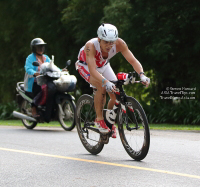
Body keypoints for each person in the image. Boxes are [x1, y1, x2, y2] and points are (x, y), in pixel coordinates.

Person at [76, 23, 150, 138]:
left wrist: (142, 75)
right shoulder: (90, 46)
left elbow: (133, 60)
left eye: (112, 42)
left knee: (116, 94)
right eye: (106, 42)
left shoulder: (120, 43)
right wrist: (105, 82)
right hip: (86, 66)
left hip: (104, 65)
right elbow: (93, 70)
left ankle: (109, 121)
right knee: (101, 86)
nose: (109, 45)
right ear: (99, 39)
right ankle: (99, 120)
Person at [24, 38, 57, 122]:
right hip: (35, 81)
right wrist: (35, 73)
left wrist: (60, 70)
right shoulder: (30, 58)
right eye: (38, 47)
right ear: (34, 48)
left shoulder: (46, 58)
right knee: (38, 90)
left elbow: (52, 66)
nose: (41, 49)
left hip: (46, 80)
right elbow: (28, 68)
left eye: (42, 47)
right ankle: (33, 108)